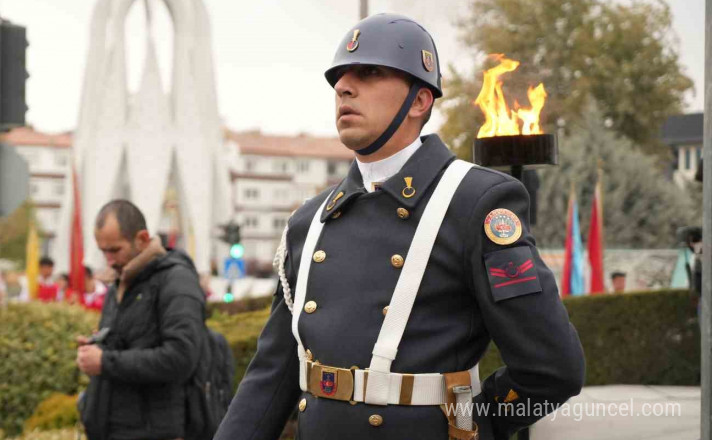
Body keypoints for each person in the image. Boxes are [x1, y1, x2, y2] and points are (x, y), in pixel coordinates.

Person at [214, 13, 585, 440]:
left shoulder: (474, 202)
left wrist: (471, 423)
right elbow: (272, 375)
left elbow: (553, 368)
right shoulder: (308, 221)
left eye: (369, 73)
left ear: (419, 101)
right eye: (339, 77)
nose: (343, 87)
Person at [76, 200, 206, 440]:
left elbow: (181, 357)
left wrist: (105, 361)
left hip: (155, 430)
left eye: (114, 250)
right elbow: (130, 342)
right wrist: (98, 346)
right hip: (116, 427)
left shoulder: (176, 280)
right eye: (103, 251)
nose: (109, 260)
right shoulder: (121, 278)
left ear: (143, 239)